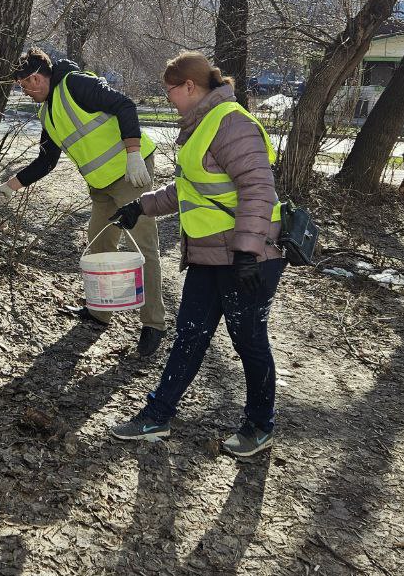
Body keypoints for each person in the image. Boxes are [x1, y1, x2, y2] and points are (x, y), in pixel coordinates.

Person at [107, 50, 285, 458]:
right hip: (209, 256)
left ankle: (259, 426)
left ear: (189, 86)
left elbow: (258, 190)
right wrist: (142, 206)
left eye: (170, 90)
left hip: (249, 260)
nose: (167, 97)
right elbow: (190, 188)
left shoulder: (232, 124)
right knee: (189, 336)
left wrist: (247, 252)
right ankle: (157, 415)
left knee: (249, 342)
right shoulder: (202, 125)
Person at [0, 48, 165, 357]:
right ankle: (100, 312)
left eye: (24, 84)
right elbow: (46, 161)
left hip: (132, 173)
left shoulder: (75, 84)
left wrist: (133, 153)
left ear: (36, 77)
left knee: (142, 247)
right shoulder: (46, 112)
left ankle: (153, 324)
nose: (24, 90)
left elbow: (125, 105)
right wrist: (9, 187)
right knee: (99, 246)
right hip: (101, 186)